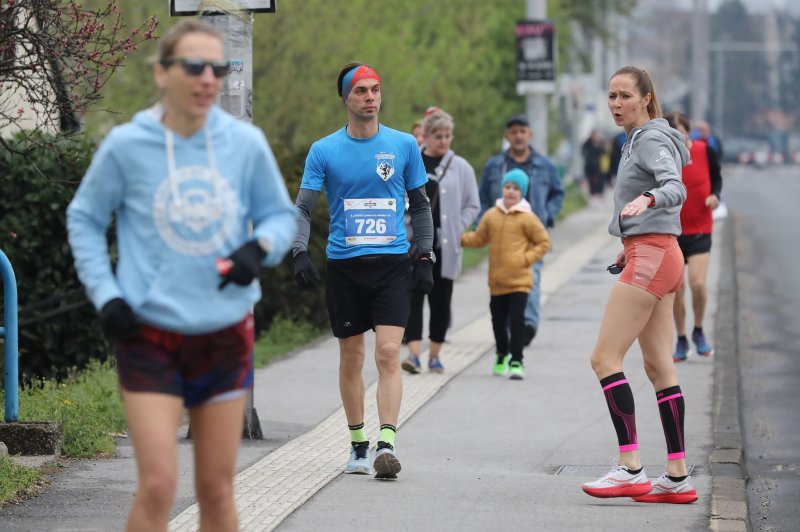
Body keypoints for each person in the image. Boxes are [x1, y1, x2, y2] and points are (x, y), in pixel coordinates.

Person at [66, 20, 296, 531]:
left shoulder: (244, 143)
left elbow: (281, 217)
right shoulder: (128, 146)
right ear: (162, 74)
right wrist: (106, 295)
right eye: (194, 66)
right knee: (157, 485)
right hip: (149, 334)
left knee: (216, 490)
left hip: (223, 332)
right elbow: (83, 218)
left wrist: (258, 250)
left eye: (219, 68)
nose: (208, 79)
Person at [291, 62, 433, 480]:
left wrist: (424, 255)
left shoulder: (404, 145)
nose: (370, 97)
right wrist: (299, 252)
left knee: (389, 352)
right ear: (345, 99)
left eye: (375, 89)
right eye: (361, 91)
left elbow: (421, 206)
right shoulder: (324, 150)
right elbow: (303, 207)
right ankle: (357, 444)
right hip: (345, 267)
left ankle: (386, 442)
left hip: (391, 264)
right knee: (351, 357)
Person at [581, 66, 698, 504]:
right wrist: (629, 241)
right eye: (611, 96)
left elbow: (674, 187)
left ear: (647, 98)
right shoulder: (634, 139)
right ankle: (677, 476)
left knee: (604, 358)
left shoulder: (649, 138)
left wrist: (648, 199)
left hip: (653, 256)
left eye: (625, 96)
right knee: (658, 368)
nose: (616, 104)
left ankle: (630, 466)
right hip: (654, 251)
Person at [401, 109, 480, 374]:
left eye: (448, 136)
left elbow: (473, 204)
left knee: (441, 299)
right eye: (438, 136)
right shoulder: (411, 162)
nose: (443, 141)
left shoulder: (461, 167)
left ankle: (435, 354)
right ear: (426, 135)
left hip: (445, 246)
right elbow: (399, 201)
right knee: (412, 298)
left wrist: (458, 225)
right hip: (413, 244)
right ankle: (413, 355)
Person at [478, 115, 564, 347]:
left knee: (531, 278)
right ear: (507, 136)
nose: (518, 136)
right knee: (502, 280)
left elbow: (558, 192)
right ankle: (508, 324)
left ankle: (527, 325)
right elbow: (483, 197)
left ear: (530, 135)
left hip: (531, 232)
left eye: (522, 131)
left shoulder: (544, 165)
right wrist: (483, 223)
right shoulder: (495, 166)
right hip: (502, 232)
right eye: (514, 131)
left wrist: (549, 214)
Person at [461, 169, 550, 379]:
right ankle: (501, 353)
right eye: (508, 187)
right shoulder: (492, 215)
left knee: (517, 321)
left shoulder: (528, 218)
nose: (511, 192)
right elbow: (479, 238)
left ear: (523, 193)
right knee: (498, 322)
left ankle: (517, 360)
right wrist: (459, 238)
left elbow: (543, 242)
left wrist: (525, 259)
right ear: (502, 189)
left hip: (520, 281)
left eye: (516, 189)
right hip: (497, 281)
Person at [665, 112, 722, 361]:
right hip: (673, 231)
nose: (677, 136)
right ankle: (681, 338)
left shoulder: (704, 150)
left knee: (698, 284)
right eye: (672, 133)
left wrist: (715, 195)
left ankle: (698, 330)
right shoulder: (664, 158)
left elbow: (717, 178)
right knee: (677, 289)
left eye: (680, 131)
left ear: (687, 130)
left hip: (700, 228)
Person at [582, 129, 608, 200]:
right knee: (591, 179)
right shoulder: (587, 142)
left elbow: (604, 151)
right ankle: (592, 193)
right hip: (589, 164)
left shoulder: (600, 142)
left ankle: (599, 192)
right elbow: (583, 151)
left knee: (600, 179)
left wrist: (600, 143)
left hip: (598, 165)